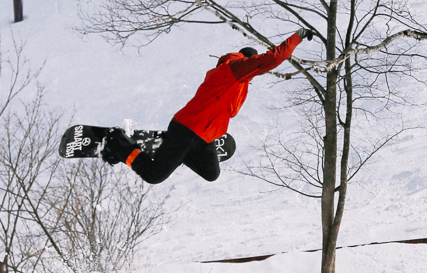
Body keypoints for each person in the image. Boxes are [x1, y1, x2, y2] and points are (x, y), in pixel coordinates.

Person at [100, 29, 315, 183]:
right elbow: (271, 59)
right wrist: (298, 36)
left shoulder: (239, 82)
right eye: (254, 64)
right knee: (154, 175)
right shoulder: (233, 68)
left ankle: (177, 154)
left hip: (203, 137)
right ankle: (117, 142)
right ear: (248, 59)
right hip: (187, 129)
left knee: (211, 174)